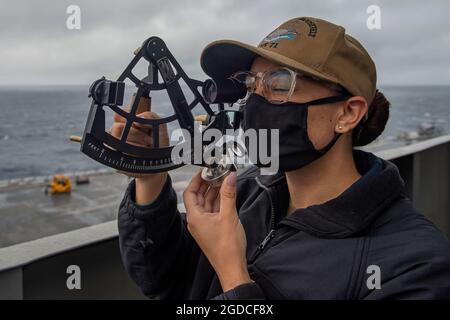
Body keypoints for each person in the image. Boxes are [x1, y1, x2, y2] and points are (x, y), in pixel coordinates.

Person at [111, 17, 450, 299]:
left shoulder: (414, 263)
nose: (255, 102)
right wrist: (150, 180)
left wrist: (234, 275)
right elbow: (166, 282)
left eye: (279, 83)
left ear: (347, 113)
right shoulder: (244, 192)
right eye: (251, 84)